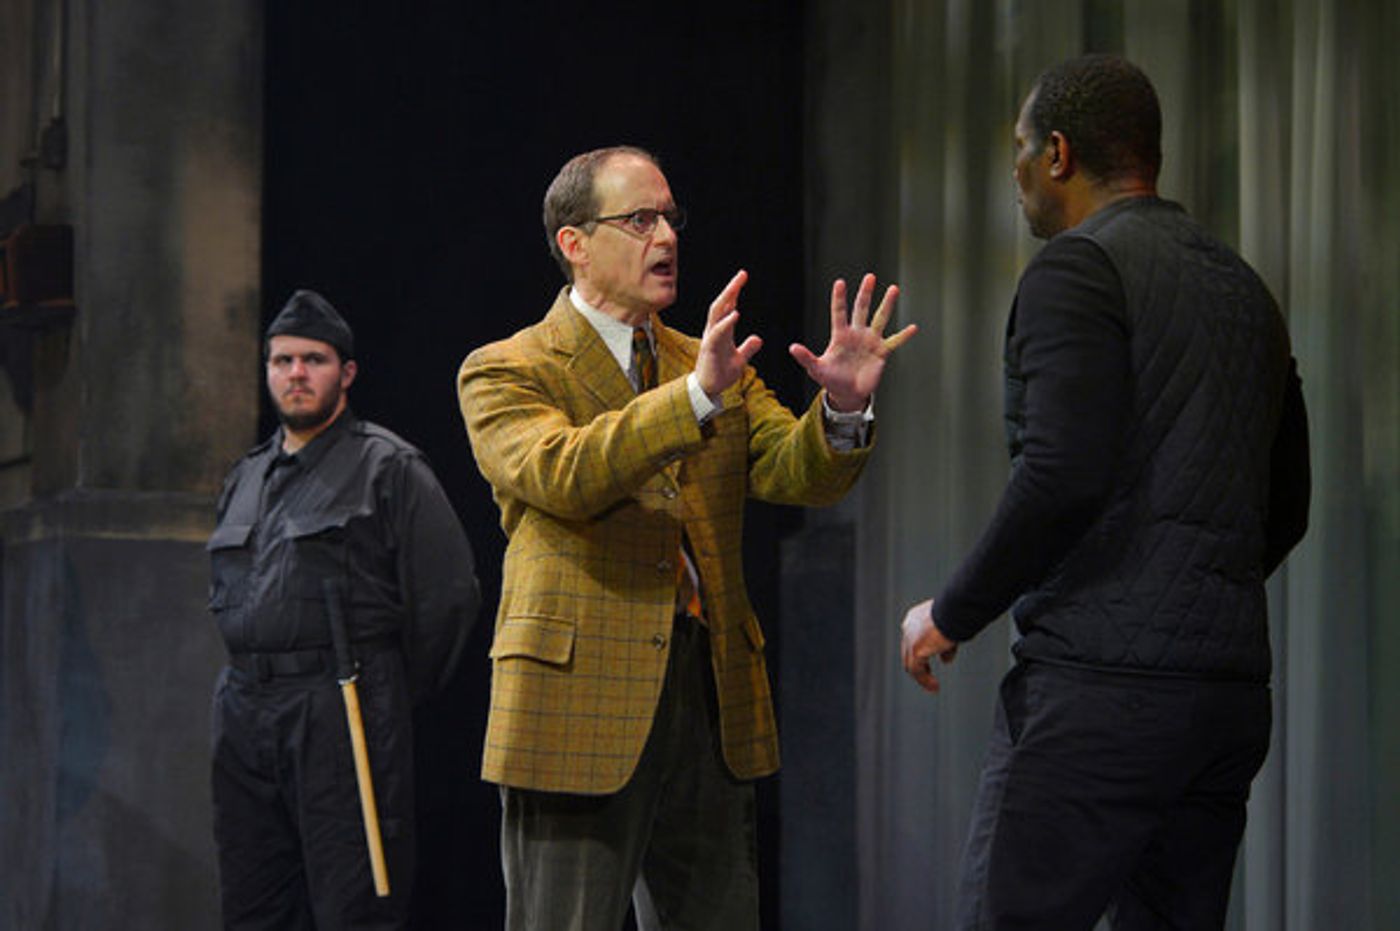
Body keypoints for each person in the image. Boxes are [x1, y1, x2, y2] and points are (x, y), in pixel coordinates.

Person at [899, 54, 1311, 930]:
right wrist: (1190, 581)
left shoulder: (1077, 271)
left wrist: (951, 610)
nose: (1012, 173)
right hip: (1227, 699)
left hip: (1100, 697)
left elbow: (1060, 475)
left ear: (1056, 153)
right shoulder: (1247, 291)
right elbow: (1289, 505)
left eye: (1017, 148)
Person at [457, 144, 915, 930]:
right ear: (574, 243)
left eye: (671, 217)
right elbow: (566, 470)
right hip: (578, 699)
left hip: (706, 695)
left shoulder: (703, 358)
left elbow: (788, 469)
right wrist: (695, 396)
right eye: (640, 219)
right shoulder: (509, 367)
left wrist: (839, 411)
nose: (665, 236)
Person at [207, 289, 481, 929]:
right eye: (281, 361)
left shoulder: (386, 466)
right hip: (245, 709)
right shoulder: (245, 476)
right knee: (251, 903)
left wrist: (386, 685)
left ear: (346, 373)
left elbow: (449, 598)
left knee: (356, 902)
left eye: (313, 360)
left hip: (342, 705)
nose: (295, 374)